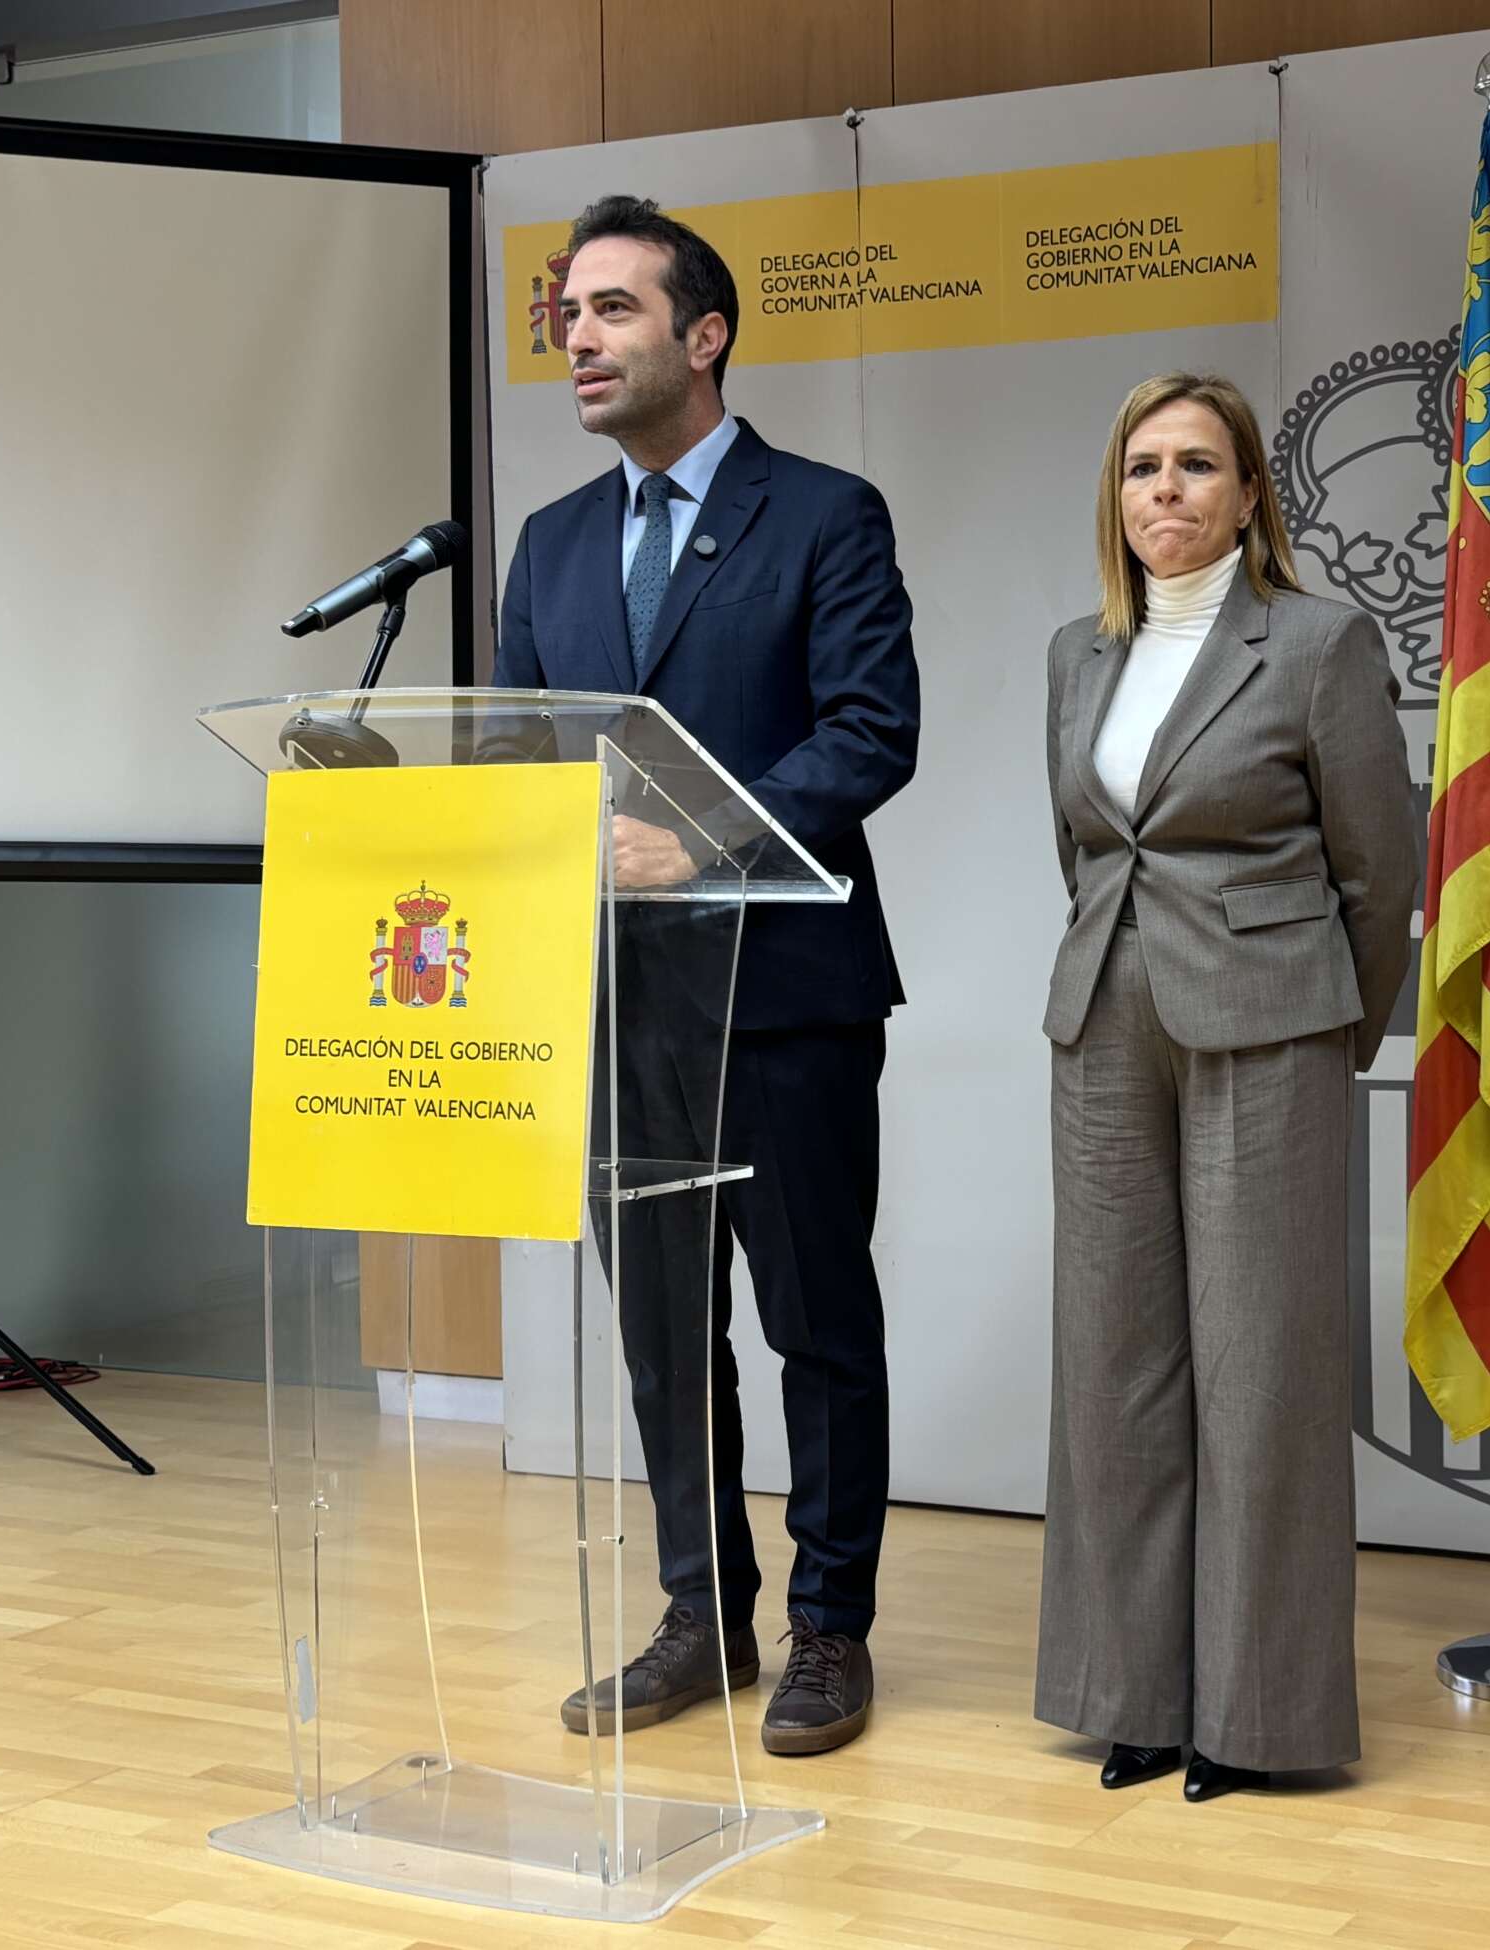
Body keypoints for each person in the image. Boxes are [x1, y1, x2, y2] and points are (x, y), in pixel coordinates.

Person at [495, 194, 917, 1757]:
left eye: (612, 310)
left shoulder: (825, 513)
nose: (581, 339)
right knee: (668, 1329)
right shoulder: (548, 545)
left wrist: (711, 839)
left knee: (815, 1321)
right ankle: (701, 1613)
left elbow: (874, 729)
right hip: (618, 1006)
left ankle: (827, 1628)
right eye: (569, 318)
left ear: (704, 333)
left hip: (788, 989)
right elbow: (522, 755)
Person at [1034, 373, 1420, 1800]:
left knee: (1262, 1370)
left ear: (1253, 493)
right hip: (1105, 1023)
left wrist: (1332, 1028)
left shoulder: (1318, 643)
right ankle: (1129, 1693)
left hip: (1270, 1024)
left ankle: (1253, 1714)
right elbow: (1084, 852)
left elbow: (1383, 872)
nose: (1168, 492)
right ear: (1116, 498)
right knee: (1115, 1364)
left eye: (1200, 465)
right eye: (1143, 467)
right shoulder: (1078, 652)